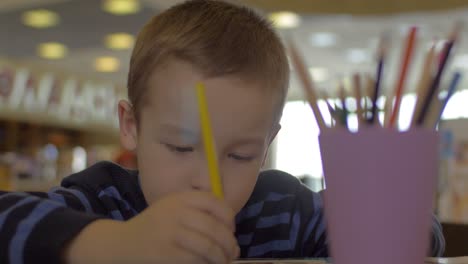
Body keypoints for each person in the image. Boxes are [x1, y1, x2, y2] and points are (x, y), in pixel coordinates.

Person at [0, 1, 445, 263]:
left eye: (240, 155)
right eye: (180, 146)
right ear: (131, 126)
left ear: (269, 143)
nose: (206, 180)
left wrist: (381, 221)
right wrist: (115, 243)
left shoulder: (282, 208)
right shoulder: (104, 199)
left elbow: (424, 235)